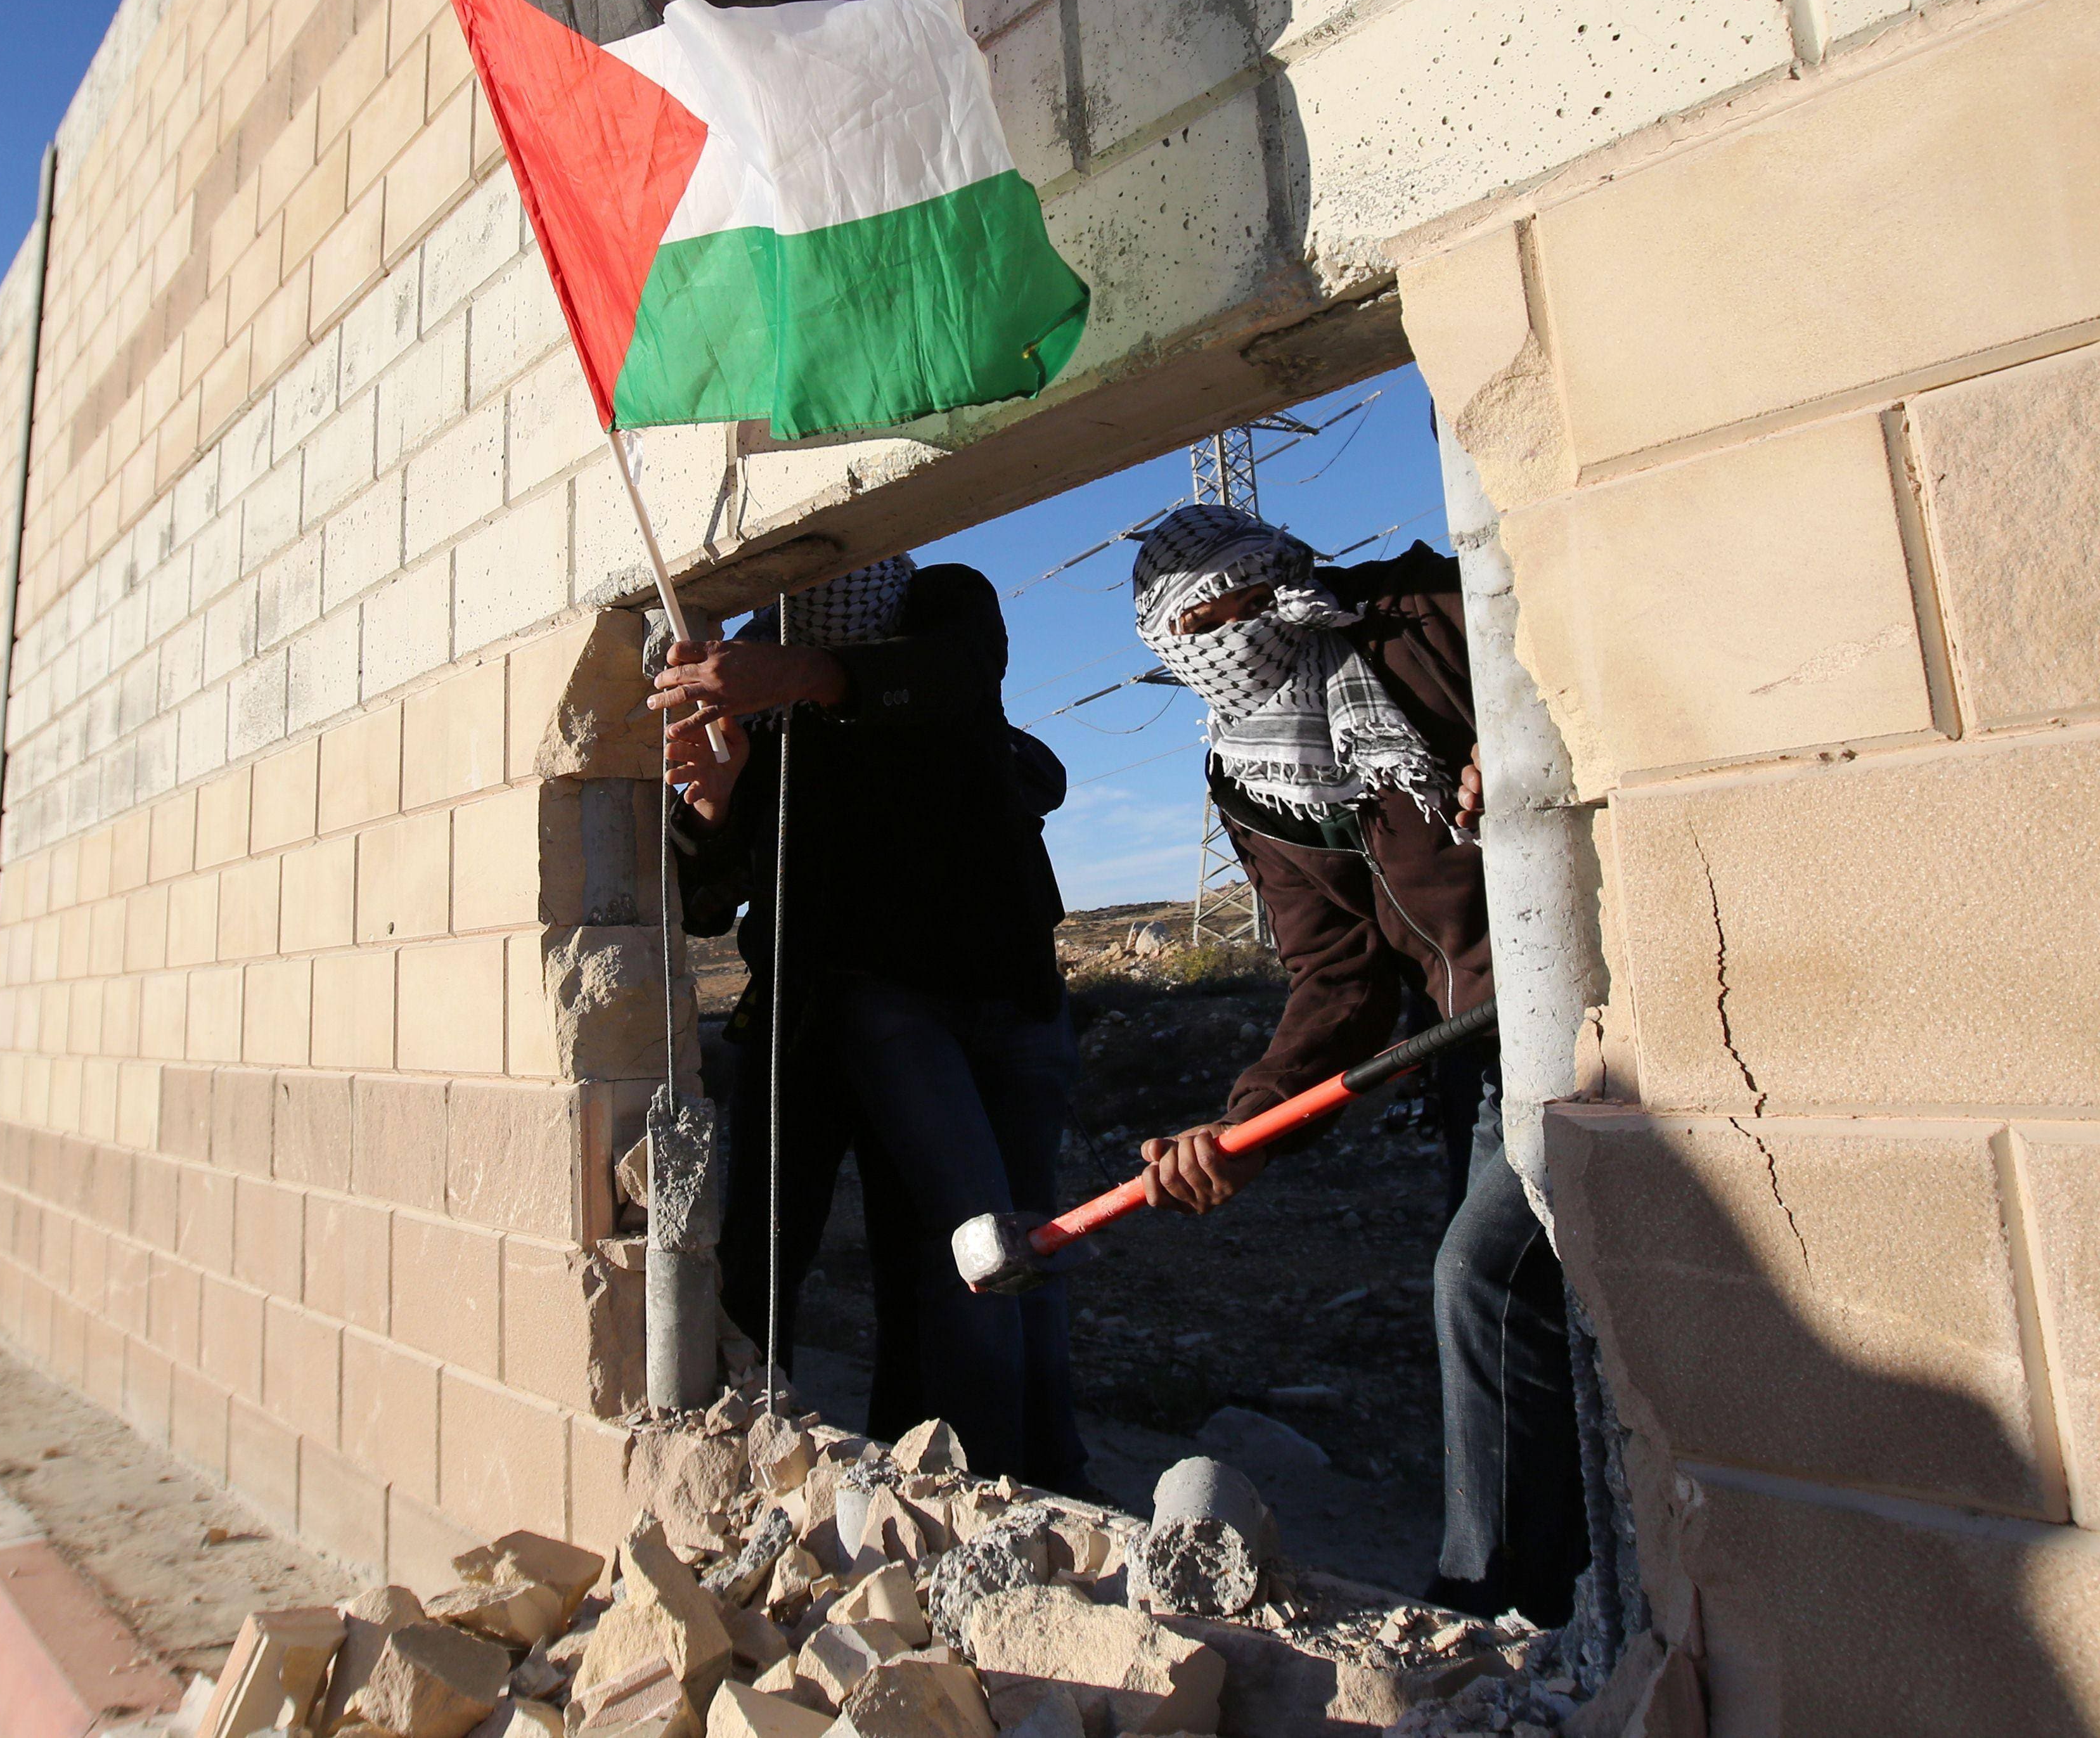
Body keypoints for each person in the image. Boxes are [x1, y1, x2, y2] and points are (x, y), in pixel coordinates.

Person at [1125, 504, 1585, 1624]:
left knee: (1485, 1277)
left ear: (1273, 575)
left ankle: (1495, 1608)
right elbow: (1338, 978)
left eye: (1231, 606)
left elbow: (1590, 672)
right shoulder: (1247, 775)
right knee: (1541, 1320)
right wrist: (1248, 1126)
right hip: (1474, 1048)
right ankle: (1586, 1593)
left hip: (1590, 1003)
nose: (1220, 642)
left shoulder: (1421, 617)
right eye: (1189, 634)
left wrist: (1526, 746)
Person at [651, 555, 1090, 1490]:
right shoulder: (748, 684)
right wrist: (714, 800)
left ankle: (960, 1477)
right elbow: (704, 900)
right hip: (810, 1016)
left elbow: (952, 675)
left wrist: (804, 676)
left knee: (956, 1251)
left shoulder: (942, 609)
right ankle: (743, 1469)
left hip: (976, 999)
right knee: (765, 1253)